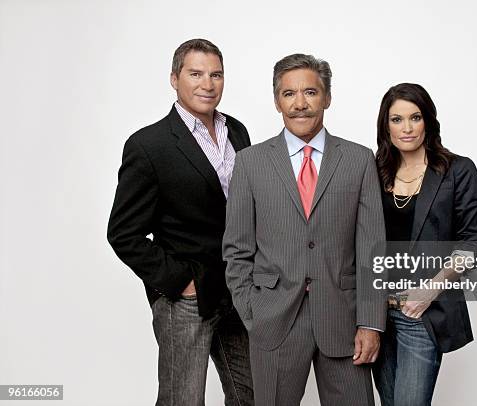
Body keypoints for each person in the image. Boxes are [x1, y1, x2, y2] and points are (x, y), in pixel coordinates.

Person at [222, 53, 387, 406]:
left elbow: (373, 249)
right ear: (277, 101)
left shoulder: (359, 160)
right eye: (289, 94)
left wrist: (372, 322)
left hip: (344, 320)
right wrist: (253, 312)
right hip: (274, 320)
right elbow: (236, 249)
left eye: (310, 92)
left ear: (327, 97)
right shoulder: (250, 163)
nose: (300, 104)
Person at [107, 38, 253, 406]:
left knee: (253, 394)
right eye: (196, 73)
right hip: (186, 298)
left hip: (236, 289)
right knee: (182, 400)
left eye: (216, 74)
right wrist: (178, 282)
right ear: (174, 78)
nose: (208, 83)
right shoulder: (148, 145)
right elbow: (123, 233)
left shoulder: (237, 132)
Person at [372, 83, 477, 406]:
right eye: (396, 119)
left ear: (428, 121)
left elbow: (472, 245)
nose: (406, 128)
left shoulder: (457, 171)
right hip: (378, 314)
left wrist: (429, 291)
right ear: (385, 125)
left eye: (415, 117)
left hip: (421, 313)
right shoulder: (376, 171)